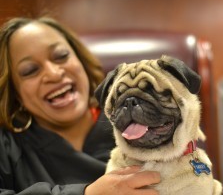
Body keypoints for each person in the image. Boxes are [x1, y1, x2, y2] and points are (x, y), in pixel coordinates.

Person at [0, 17, 161, 195]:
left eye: (61, 56)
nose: (53, 74)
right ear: (15, 93)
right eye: (30, 70)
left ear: (81, 61)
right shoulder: (7, 147)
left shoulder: (143, 118)